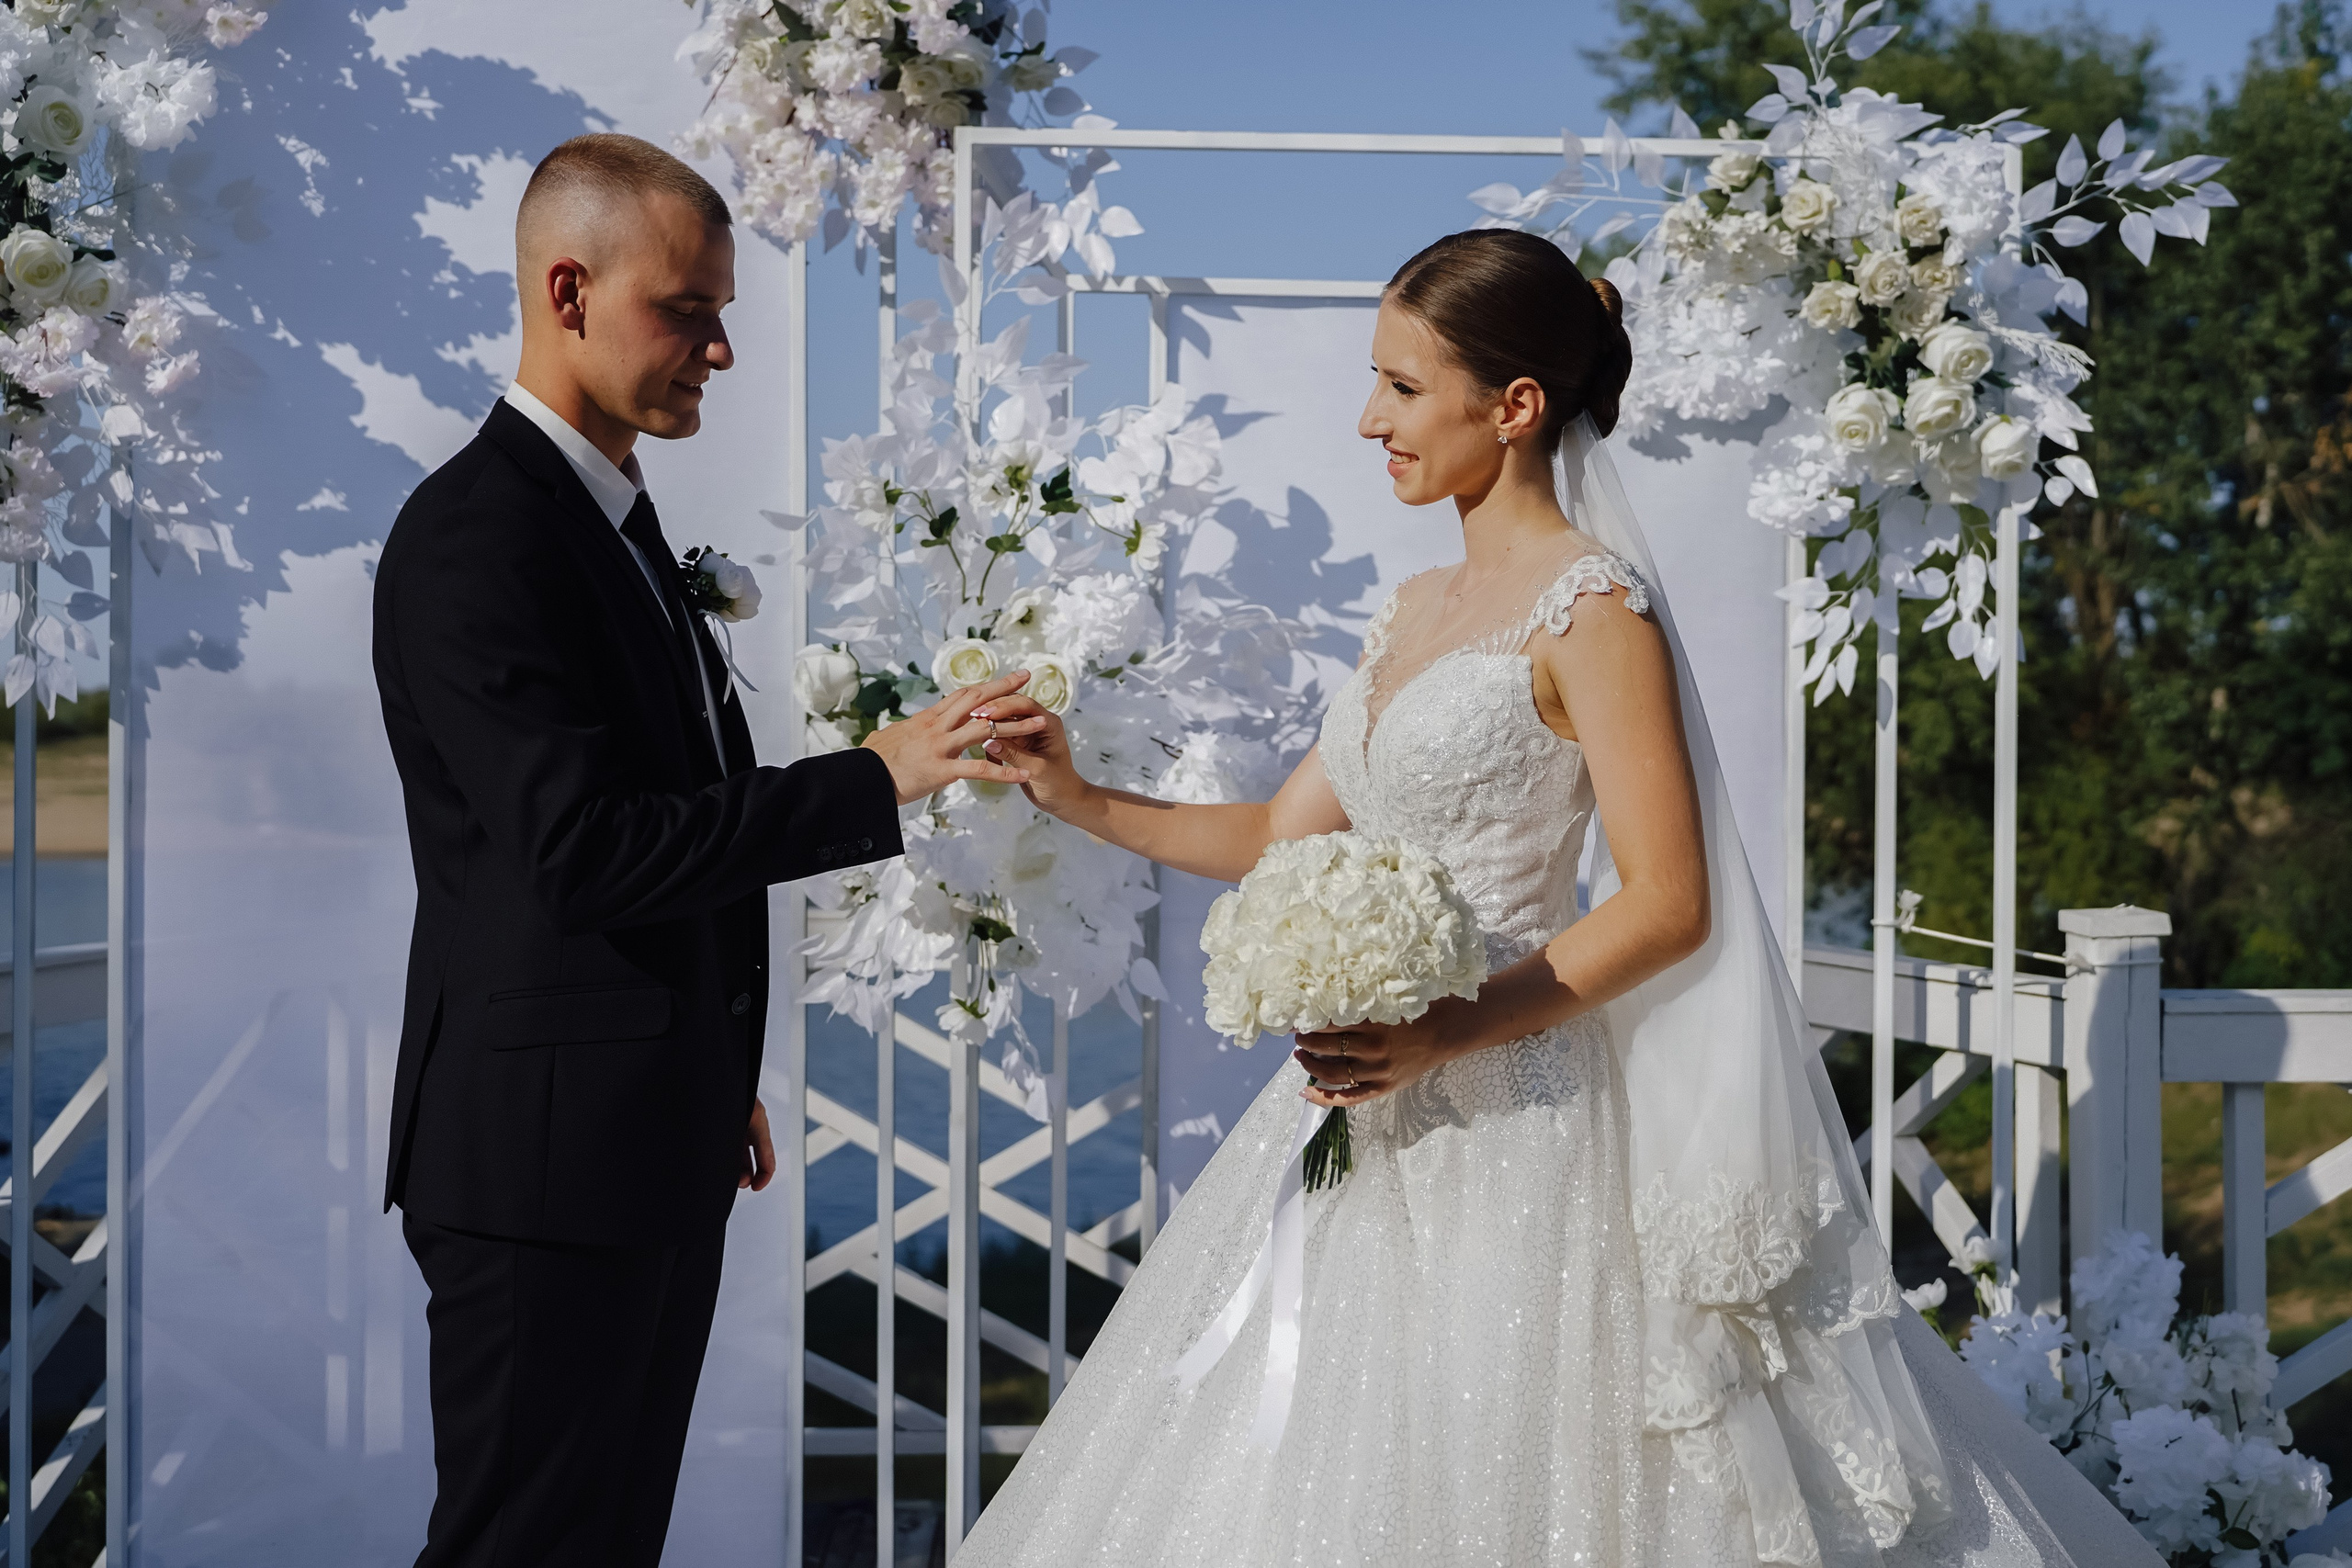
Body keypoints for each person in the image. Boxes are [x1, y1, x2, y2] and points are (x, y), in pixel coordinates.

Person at [960, 230, 2158, 1566]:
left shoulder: (1595, 614)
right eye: (1377, 385)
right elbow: (1278, 833)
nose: (1371, 421)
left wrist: (1445, 1029)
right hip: (1369, 1107)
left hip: (1525, 1111)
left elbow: (1668, 904)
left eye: (1403, 389)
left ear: (1515, 406)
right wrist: (1075, 797)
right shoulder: (1415, 607)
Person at [370, 133, 1041, 1568]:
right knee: (524, 1542)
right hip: (539, 1171)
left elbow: (658, 819)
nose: (721, 350)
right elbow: (584, 850)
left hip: (636, 1126)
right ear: (568, 290)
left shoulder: (612, 520)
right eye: (688, 310)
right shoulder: (475, 539)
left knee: (606, 1540)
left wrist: (697, 1063)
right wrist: (878, 774)